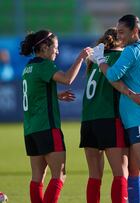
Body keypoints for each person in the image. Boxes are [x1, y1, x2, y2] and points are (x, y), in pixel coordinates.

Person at [91, 14, 140, 203]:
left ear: (135, 31)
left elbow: (113, 75)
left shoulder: (131, 51)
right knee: (134, 174)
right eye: (118, 32)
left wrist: (100, 59)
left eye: (122, 32)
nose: (119, 36)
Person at [20, 30, 91, 203]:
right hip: (47, 128)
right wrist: (81, 57)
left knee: (37, 178)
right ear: (44, 47)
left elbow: (34, 94)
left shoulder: (28, 67)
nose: (57, 52)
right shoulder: (44, 65)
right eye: (55, 47)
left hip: (31, 130)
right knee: (59, 176)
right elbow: (67, 79)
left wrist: (55, 96)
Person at [80, 28, 129, 203]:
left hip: (88, 121)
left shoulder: (94, 61)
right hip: (109, 117)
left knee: (94, 176)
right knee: (121, 173)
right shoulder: (119, 58)